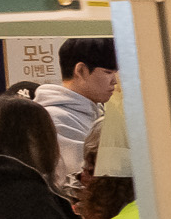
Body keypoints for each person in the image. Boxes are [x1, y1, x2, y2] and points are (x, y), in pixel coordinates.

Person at [33, 37, 115, 191]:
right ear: (81, 71)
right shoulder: (55, 118)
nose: (115, 81)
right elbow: (79, 180)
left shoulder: (93, 112)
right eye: (108, 72)